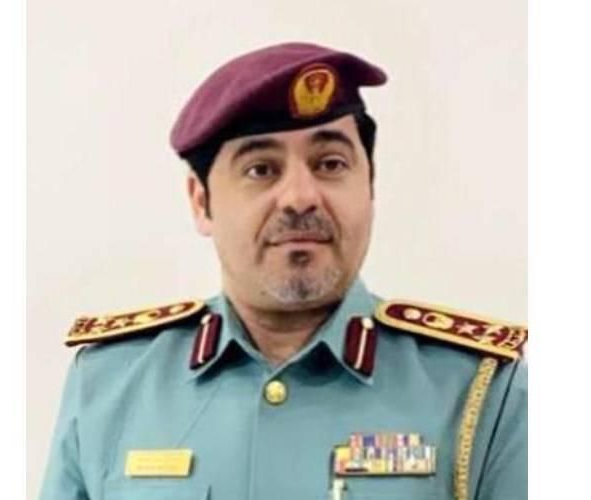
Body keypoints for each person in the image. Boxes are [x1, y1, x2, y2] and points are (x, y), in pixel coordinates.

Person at [39, 41, 527, 500]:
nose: (300, 197)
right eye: (261, 169)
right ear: (201, 201)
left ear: (370, 186)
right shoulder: (108, 384)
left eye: (330, 163)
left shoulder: (482, 391)